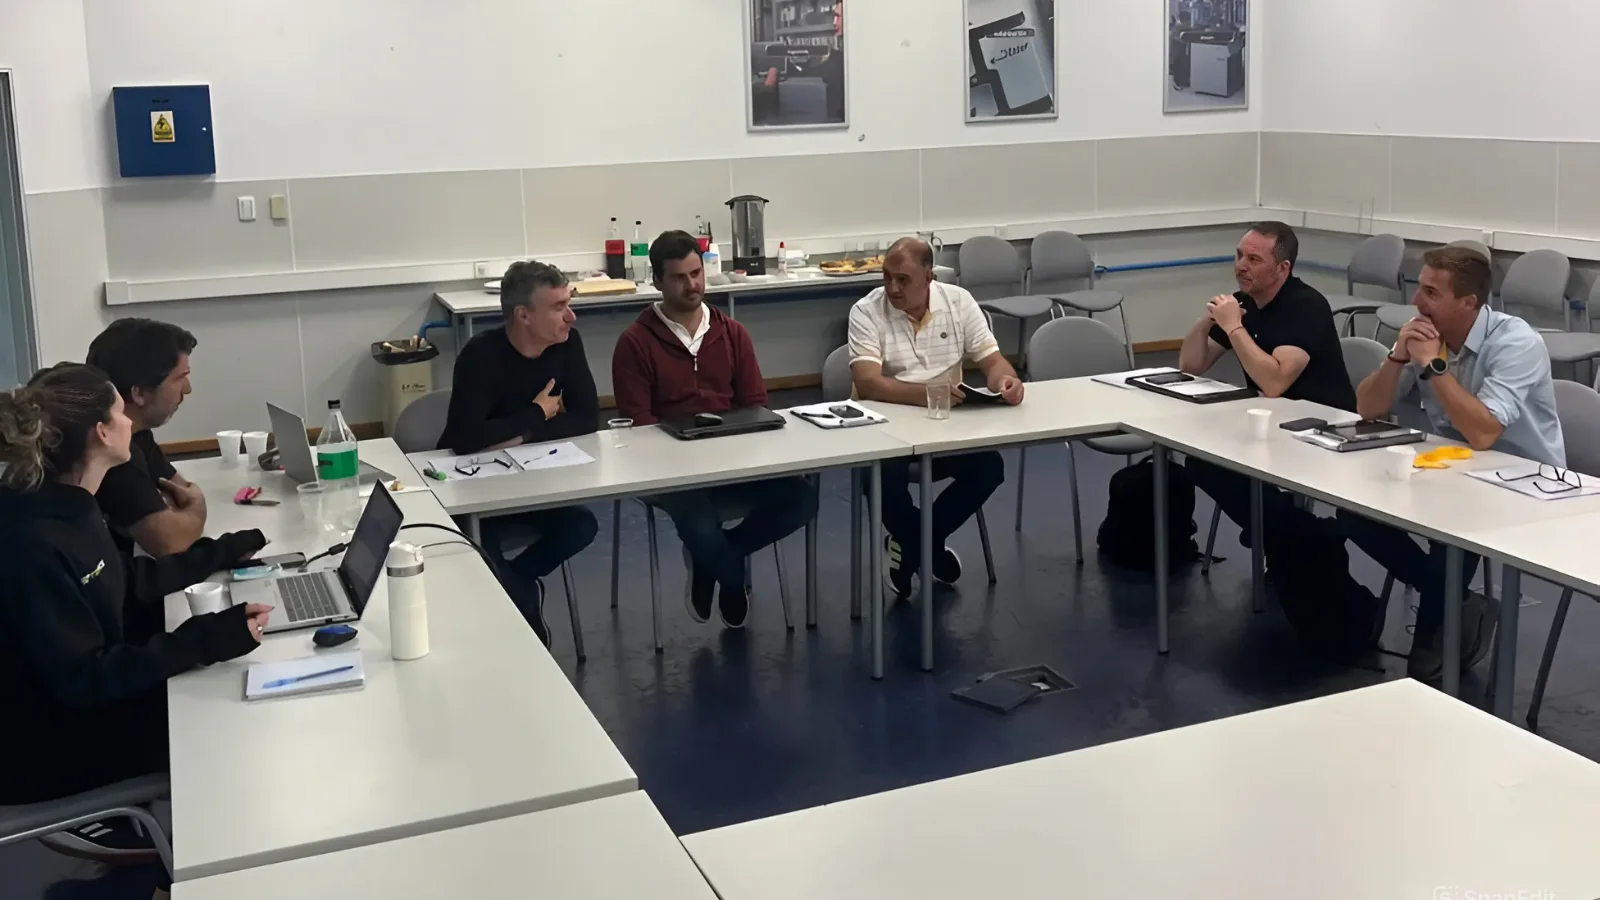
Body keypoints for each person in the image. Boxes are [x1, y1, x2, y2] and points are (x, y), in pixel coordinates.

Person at [0, 363, 269, 858]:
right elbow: (84, 677)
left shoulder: (70, 502)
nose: (130, 422)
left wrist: (219, 553)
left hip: (78, 709)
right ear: (102, 433)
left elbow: (123, 581)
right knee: (223, 720)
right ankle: (214, 869)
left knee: (220, 692)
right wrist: (203, 640)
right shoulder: (30, 540)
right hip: (44, 748)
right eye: (120, 412)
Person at [1344, 246, 1565, 681]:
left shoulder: (1515, 342)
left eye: (1431, 292)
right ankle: (1458, 603)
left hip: (1523, 481)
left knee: (1453, 539)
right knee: (1355, 514)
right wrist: (1398, 357)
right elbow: (1367, 409)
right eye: (1419, 288)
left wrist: (1434, 365)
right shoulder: (1427, 334)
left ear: (1469, 303)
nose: (1417, 302)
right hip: (1452, 468)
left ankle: (1432, 645)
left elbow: (1483, 434)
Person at [612, 230, 816, 629]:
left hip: (732, 460)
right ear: (658, 281)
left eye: (696, 273)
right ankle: (732, 575)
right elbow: (639, 424)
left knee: (803, 500)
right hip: (670, 470)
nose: (692, 285)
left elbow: (754, 405)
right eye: (679, 278)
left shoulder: (732, 333)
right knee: (699, 523)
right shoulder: (634, 343)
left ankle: (715, 561)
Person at [439, 260, 600, 647]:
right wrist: (538, 413)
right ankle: (521, 630)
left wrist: (520, 434)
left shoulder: (567, 344)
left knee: (582, 525)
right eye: (559, 307)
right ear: (523, 315)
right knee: (482, 554)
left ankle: (520, 580)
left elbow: (587, 418)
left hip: (534, 481)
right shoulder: (481, 355)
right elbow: (465, 440)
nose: (571, 316)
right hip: (476, 492)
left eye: (568, 303)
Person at [848, 237, 1020, 597]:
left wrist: (1005, 381)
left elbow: (992, 362)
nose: (892, 288)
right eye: (887, 277)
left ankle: (912, 545)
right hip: (886, 429)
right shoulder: (866, 310)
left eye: (903, 279)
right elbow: (867, 383)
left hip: (944, 427)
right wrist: (929, 394)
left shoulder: (958, 302)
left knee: (990, 467)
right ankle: (929, 549)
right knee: (881, 477)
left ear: (929, 276)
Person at [1178, 222, 1355, 545]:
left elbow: (1275, 383)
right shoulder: (1245, 302)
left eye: (1254, 260)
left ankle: (1282, 531)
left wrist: (1234, 328)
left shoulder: (1306, 306)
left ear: (1282, 267)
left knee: (1221, 466)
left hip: (1321, 424)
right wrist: (1206, 321)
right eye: (1239, 256)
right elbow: (1191, 366)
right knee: (1202, 462)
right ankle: (1284, 529)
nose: (1241, 266)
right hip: (1272, 418)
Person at [85, 318, 206, 558]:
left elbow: (179, 491)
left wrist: (182, 513)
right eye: (180, 378)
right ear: (139, 393)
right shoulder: (111, 454)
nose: (187, 389)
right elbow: (169, 542)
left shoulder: (137, 434)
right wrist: (198, 510)